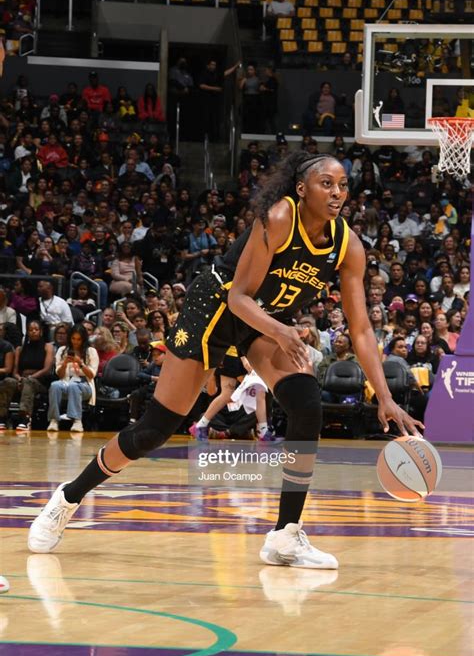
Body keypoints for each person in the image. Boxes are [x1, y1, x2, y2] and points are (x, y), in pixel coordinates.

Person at [29, 151, 421, 569]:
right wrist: (282, 331)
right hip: (216, 308)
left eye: (343, 185)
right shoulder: (278, 217)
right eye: (327, 183)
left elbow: (361, 329)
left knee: (307, 406)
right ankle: (68, 497)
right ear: (302, 188)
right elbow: (238, 297)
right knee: (153, 430)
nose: (338, 192)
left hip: (265, 320)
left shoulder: (348, 246)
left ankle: (285, 536)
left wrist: (384, 395)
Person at [46, 324, 99, 433]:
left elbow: (91, 375)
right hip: (65, 381)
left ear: (83, 339)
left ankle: (77, 421)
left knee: (74, 386)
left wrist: (80, 363)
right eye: (73, 338)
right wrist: (65, 363)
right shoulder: (62, 350)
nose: (76, 342)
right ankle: (54, 420)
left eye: (79, 339)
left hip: (85, 385)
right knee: (55, 385)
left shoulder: (91, 351)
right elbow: (60, 375)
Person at [9, 319, 54, 431]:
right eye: (30, 330)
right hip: (22, 379)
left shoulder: (47, 347)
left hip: (40, 382)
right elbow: (15, 371)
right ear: (27, 332)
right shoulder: (20, 348)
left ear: (41, 331)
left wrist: (30, 377)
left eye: (36, 329)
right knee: (7, 382)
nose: (33, 332)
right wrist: (19, 379)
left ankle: (25, 418)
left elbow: (47, 369)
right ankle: (2, 417)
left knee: (28, 382)